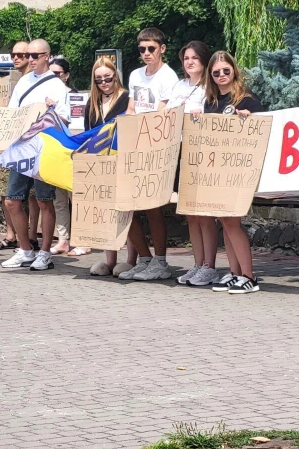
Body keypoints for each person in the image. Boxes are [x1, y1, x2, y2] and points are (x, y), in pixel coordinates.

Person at [0, 39, 69, 272]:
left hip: (43, 147)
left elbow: (65, 120)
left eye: (35, 55)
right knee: (12, 200)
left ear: (47, 56)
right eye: (28, 55)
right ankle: (26, 249)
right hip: (21, 146)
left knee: (43, 200)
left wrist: (52, 110)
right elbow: (12, 113)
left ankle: (45, 252)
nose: (30, 59)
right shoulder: (23, 81)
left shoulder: (57, 86)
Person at [119, 28, 180, 282]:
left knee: (153, 208)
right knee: (128, 205)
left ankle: (161, 261)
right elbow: (132, 107)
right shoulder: (135, 75)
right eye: (142, 49)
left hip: (155, 147)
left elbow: (161, 112)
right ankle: (144, 258)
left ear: (162, 49)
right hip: (134, 144)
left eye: (151, 49)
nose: (146, 53)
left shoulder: (168, 76)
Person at [202, 52, 264, 294]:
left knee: (232, 221)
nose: (221, 76)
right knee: (225, 222)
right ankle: (235, 272)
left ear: (234, 71)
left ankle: (249, 276)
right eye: (216, 72)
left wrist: (249, 119)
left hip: (238, 169)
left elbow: (261, 127)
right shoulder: (211, 101)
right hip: (218, 169)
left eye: (225, 71)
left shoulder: (246, 99)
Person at [166, 42, 222, 288]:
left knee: (203, 212)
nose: (189, 62)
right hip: (178, 150)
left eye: (195, 58)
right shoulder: (179, 85)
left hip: (200, 151)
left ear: (204, 60)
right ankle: (198, 263)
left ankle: (210, 265)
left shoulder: (210, 87)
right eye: (186, 58)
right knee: (189, 212)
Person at [81, 56, 133, 275]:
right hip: (100, 164)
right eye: (99, 79)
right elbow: (87, 133)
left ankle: (131, 258)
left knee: (126, 211)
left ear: (115, 76)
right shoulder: (91, 103)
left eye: (108, 78)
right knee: (105, 212)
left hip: (122, 161)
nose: (104, 83)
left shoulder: (127, 98)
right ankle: (109, 260)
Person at [0, 41, 34, 254]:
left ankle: (31, 237)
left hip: (27, 145)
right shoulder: (10, 82)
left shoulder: (33, 81)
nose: (16, 58)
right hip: (9, 145)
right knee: (6, 192)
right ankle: (11, 235)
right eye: (13, 54)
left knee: (32, 195)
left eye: (21, 55)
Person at [47, 57, 77, 256]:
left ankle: (83, 239)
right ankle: (63, 239)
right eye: (50, 74)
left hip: (75, 150)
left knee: (77, 197)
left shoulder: (76, 97)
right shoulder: (46, 95)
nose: (54, 78)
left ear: (66, 75)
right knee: (59, 199)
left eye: (57, 74)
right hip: (57, 151)